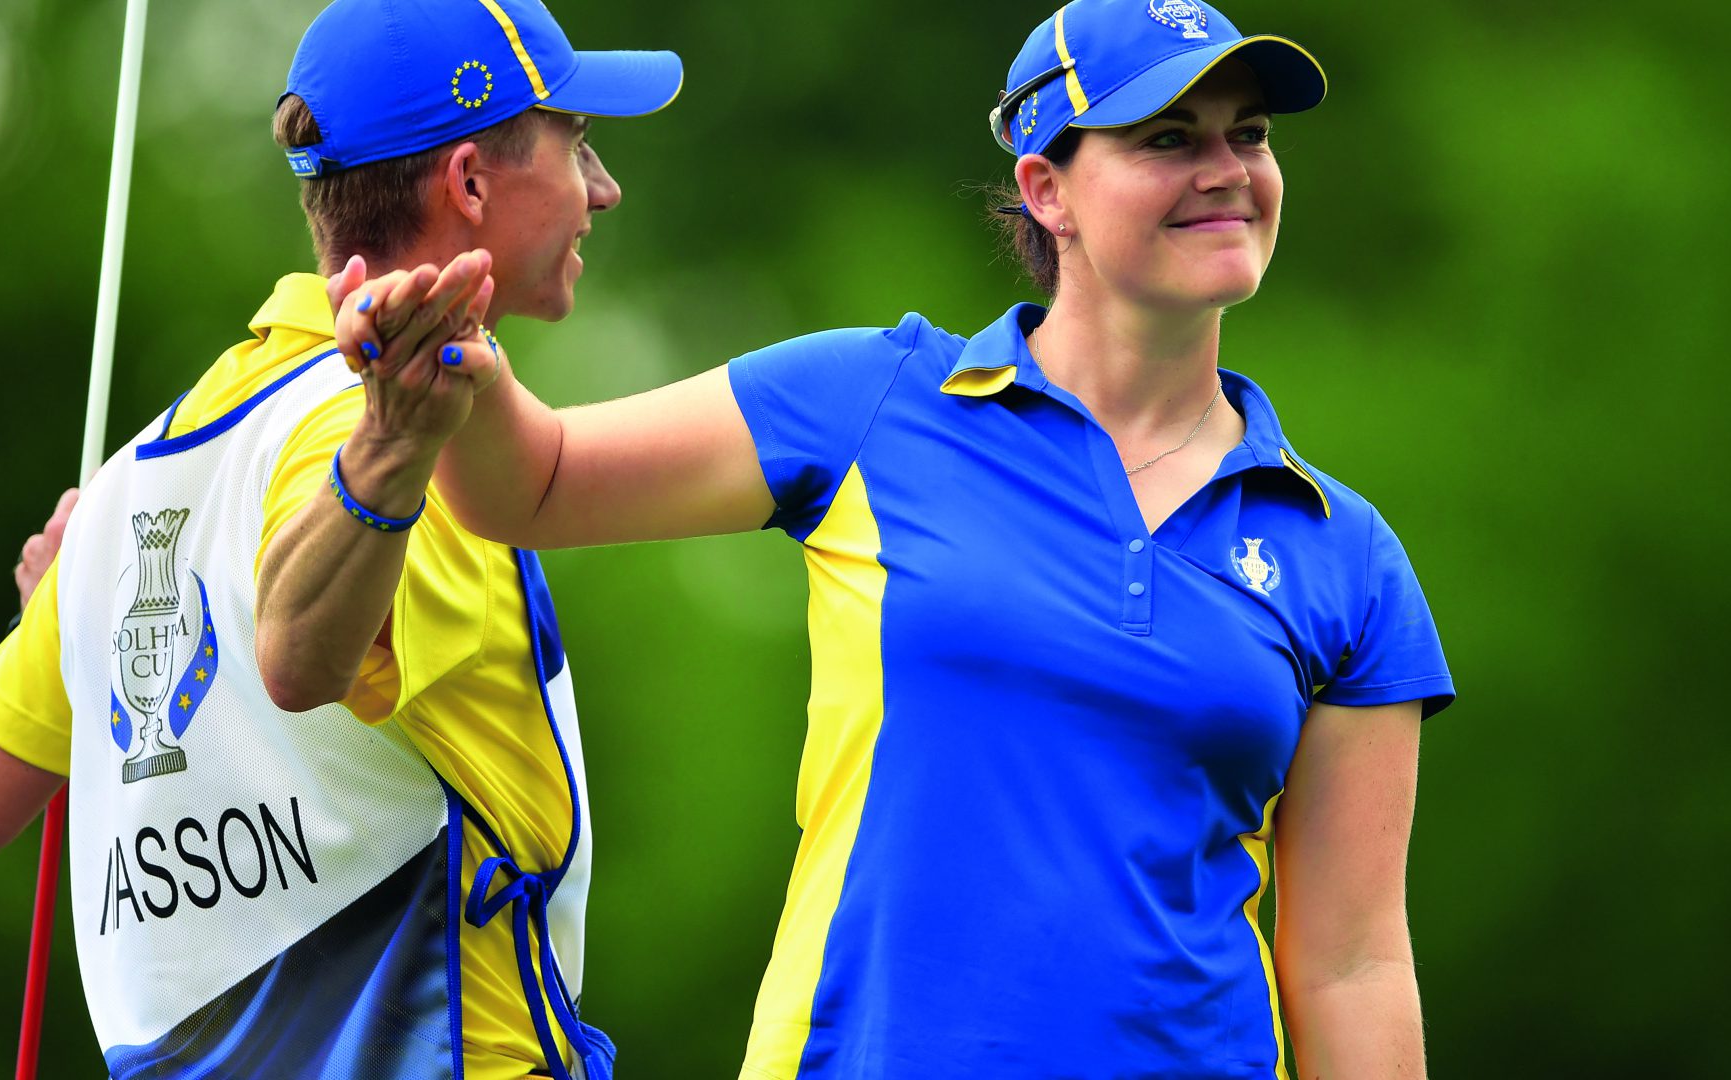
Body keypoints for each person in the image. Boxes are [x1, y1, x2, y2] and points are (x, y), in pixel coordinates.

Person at [335, 1, 1455, 1077]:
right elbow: (539, 486)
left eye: (1248, 135)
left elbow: (1353, 961)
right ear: (1046, 189)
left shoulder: (1340, 551)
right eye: (1168, 137)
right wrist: (450, 351)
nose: (1228, 170)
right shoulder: (876, 400)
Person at [0, 1, 681, 1077]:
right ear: (468, 182)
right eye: (579, 145)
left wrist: (59, 622)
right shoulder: (410, 441)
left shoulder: (132, 488)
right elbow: (297, 658)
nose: (604, 189)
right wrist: (388, 461)